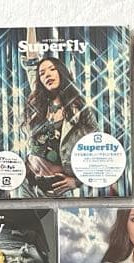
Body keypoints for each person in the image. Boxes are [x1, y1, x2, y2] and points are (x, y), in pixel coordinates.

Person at [23, 56, 98, 196]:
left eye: (52, 69)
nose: (47, 75)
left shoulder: (80, 110)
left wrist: (77, 181)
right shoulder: (40, 104)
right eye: (42, 73)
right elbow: (32, 64)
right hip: (28, 184)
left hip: (57, 189)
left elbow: (99, 149)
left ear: (62, 73)